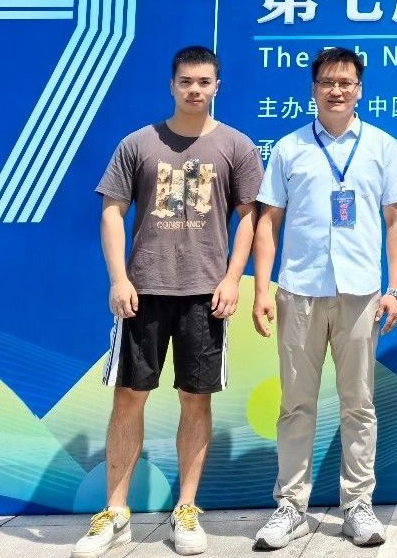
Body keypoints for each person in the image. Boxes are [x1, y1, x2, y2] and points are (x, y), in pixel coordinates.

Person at [73, 45, 263, 558]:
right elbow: (112, 212)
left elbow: (249, 217)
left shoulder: (237, 145)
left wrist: (233, 279)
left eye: (204, 82)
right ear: (172, 85)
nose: (194, 90)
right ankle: (115, 512)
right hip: (144, 291)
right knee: (128, 397)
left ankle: (186, 509)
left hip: (205, 295)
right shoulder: (138, 144)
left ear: (217, 86)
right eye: (186, 82)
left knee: (195, 399)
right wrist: (119, 279)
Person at [250, 47, 397, 550]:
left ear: (359, 89)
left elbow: (396, 221)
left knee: (358, 404)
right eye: (327, 82)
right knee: (296, 404)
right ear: (313, 89)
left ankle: (357, 505)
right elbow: (268, 222)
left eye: (345, 82)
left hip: (360, 293)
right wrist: (262, 289)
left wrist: (395, 289)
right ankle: (290, 507)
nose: (336, 90)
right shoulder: (290, 148)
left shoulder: (381, 146)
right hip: (299, 290)